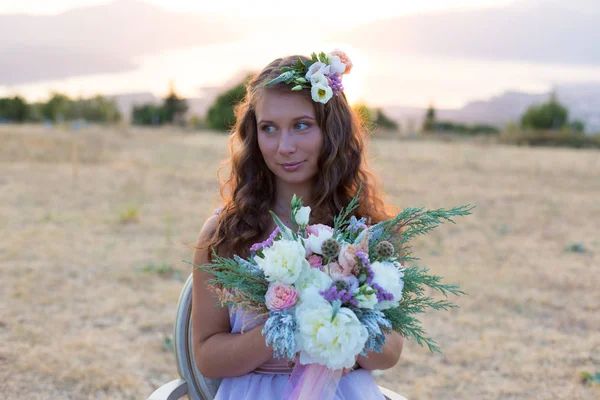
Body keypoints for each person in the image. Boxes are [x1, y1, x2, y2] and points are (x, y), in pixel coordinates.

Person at [192, 51, 403, 399]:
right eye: (269, 129)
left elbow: (389, 353)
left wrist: (337, 317)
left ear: (331, 130)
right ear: (253, 135)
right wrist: (287, 323)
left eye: (301, 125)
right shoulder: (225, 234)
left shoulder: (362, 230)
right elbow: (207, 357)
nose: (284, 147)